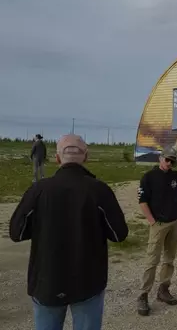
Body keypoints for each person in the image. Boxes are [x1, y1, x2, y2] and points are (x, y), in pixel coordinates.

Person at [9, 134, 129, 330]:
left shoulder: (38, 190)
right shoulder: (99, 190)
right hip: (88, 282)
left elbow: (16, 232)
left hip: (46, 280)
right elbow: (119, 234)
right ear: (86, 157)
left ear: (57, 158)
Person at [136, 147, 177, 316]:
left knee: (169, 258)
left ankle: (163, 289)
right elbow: (142, 201)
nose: (169, 163)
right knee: (152, 259)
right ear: (160, 158)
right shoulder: (149, 177)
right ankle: (143, 295)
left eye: (172, 161)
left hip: (175, 221)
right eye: (167, 160)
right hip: (158, 223)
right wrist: (152, 221)